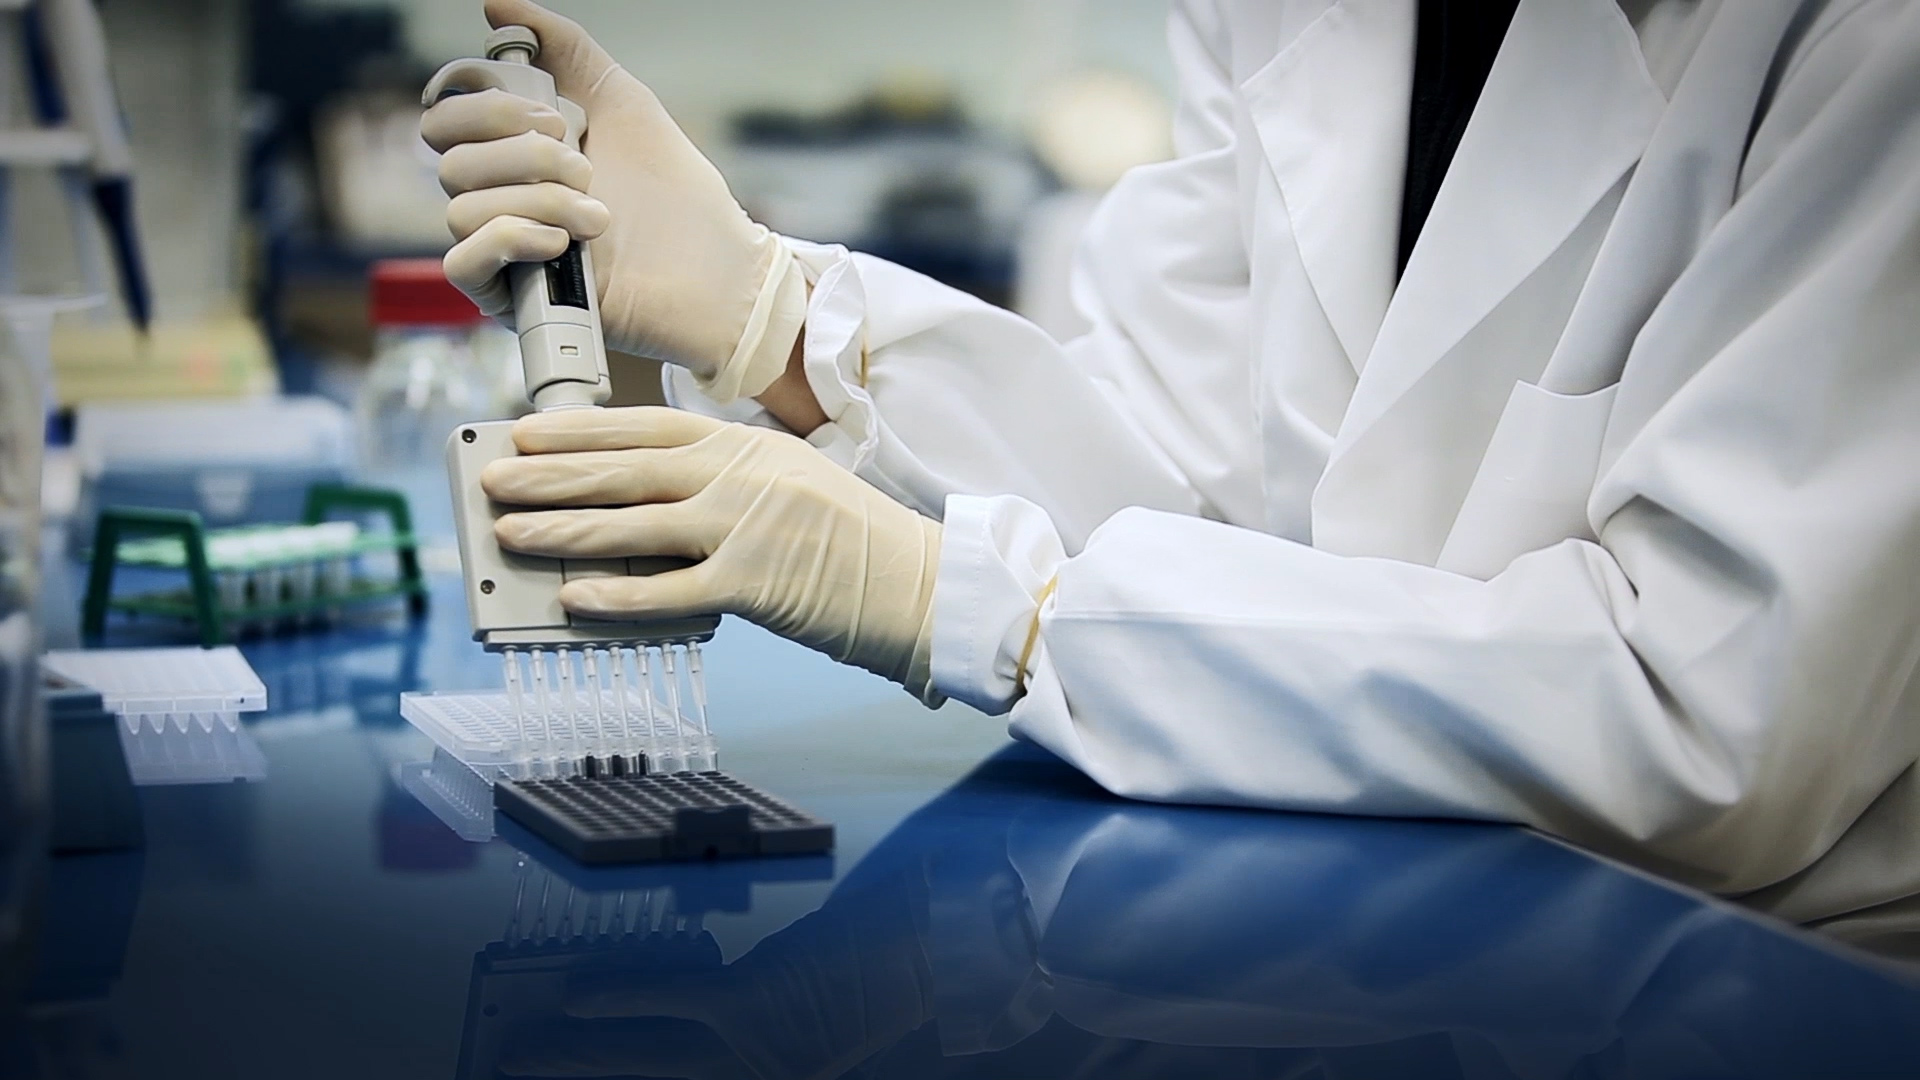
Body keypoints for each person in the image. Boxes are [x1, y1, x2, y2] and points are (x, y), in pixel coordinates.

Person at [424, 0, 1920, 931]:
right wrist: (774, 320)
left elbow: (1703, 712)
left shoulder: (1858, 37)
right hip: (1356, 900)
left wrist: (975, 605)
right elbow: (1177, 497)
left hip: (1741, 972)